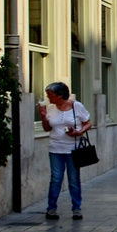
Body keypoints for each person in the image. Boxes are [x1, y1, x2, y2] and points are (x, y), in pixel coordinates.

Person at [38, 81, 91, 220]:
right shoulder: (50, 108)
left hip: (73, 149)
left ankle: (76, 208)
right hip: (55, 148)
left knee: (73, 179)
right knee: (56, 179)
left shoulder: (76, 106)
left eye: (51, 95)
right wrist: (43, 115)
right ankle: (51, 209)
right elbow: (47, 129)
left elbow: (88, 122)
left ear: (60, 95)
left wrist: (79, 132)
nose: (48, 97)